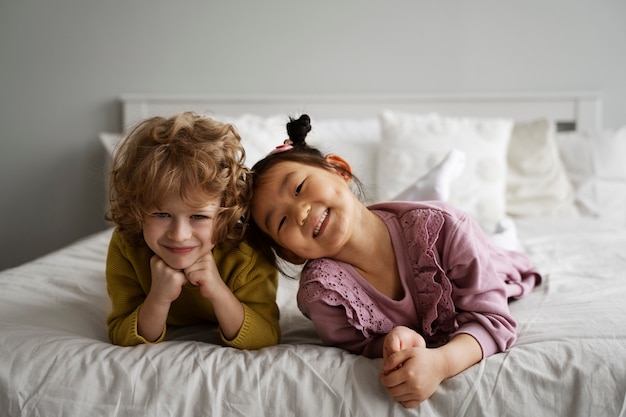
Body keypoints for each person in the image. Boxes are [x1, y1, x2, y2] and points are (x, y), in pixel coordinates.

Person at [247, 114, 541, 407]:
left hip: (484, 255)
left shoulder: (447, 229)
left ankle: (495, 226)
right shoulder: (324, 294)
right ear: (291, 253)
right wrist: (391, 342)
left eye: (298, 188)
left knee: (500, 245)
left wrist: (441, 363)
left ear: (339, 170)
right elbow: (358, 345)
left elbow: (493, 320)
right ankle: (423, 193)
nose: (300, 213)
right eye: (282, 221)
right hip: (408, 230)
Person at [105, 112, 280, 350]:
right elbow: (121, 334)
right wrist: (158, 297)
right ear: (137, 209)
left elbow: (265, 336)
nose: (179, 235)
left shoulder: (247, 255)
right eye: (161, 214)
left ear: (225, 212)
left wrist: (218, 291)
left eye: (199, 216)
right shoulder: (127, 246)